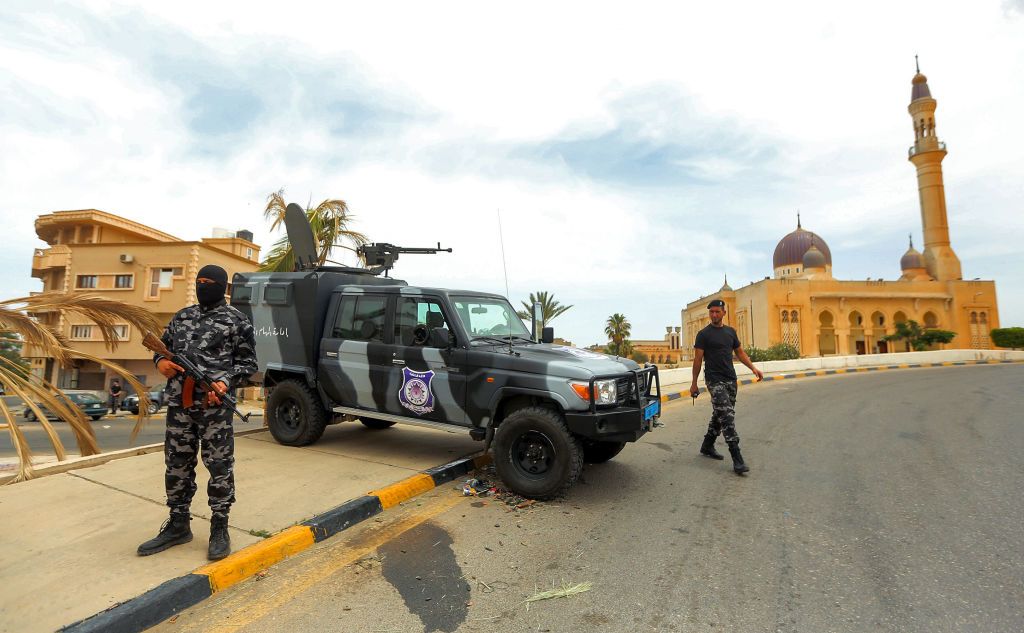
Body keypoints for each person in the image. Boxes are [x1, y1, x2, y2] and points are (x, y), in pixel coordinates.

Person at [137, 265, 257, 560]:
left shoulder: (237, 322)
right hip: (180, 404)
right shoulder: (182, 316)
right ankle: (178, 524)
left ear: (221, 286)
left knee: (219, 467)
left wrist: (225, 381)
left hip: (214, 408)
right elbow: (161, 348)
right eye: (199, 281)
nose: (203, 286)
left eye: (209, 282)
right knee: (176, 464)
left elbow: (248, 365)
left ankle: (219, 526)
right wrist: (159, 362)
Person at [689, 299, 763, 474]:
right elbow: (698, 360)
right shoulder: (703, 334)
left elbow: (740, 353)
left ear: (723, 313)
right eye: (711, 312)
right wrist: (694, 383)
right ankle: (737, 459)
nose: (714, 315)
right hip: (714, 380)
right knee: (727, 417)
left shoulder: (730, 332)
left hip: (731, 379)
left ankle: (707, 445)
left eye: (717, 311)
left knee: (720, 414)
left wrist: (753, 368)